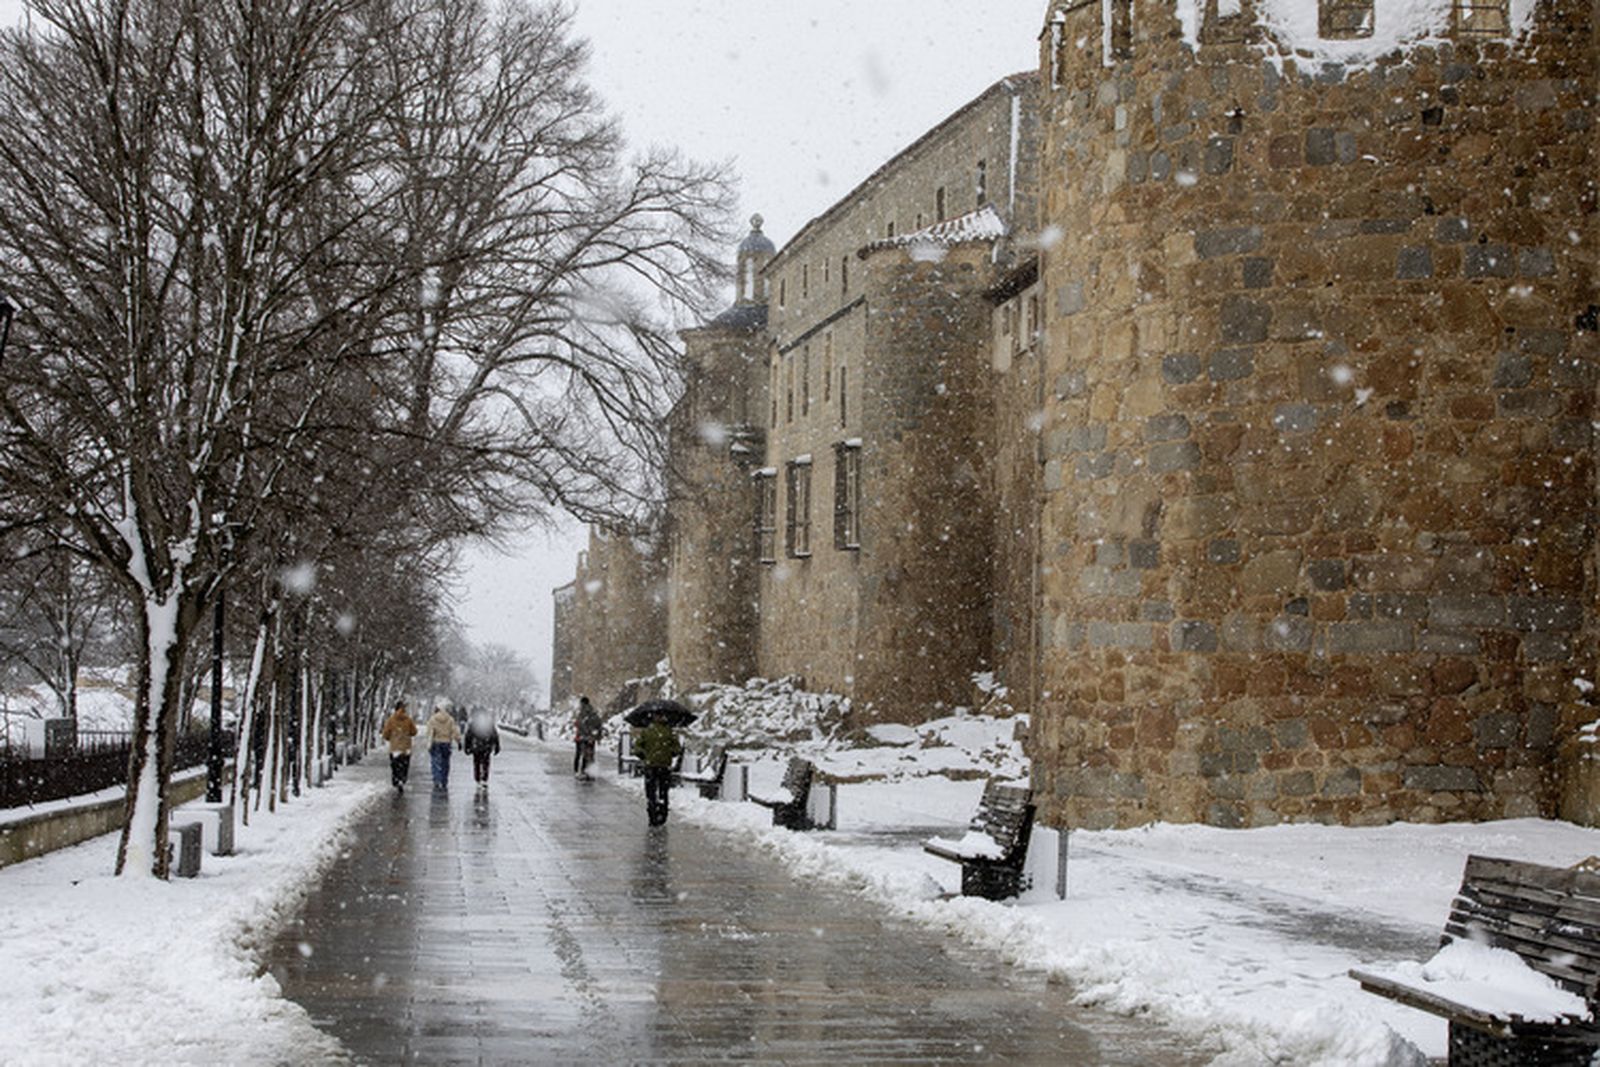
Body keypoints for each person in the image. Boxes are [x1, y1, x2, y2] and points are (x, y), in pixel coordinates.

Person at [635, 714, 682, 827]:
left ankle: (652, 815)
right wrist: (669, 753)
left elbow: (637, 748)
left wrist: (644, 755)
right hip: (664, 766)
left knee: (651, 792)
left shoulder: (647, 731)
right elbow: (677, 749)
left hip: (650, 766)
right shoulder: (669, 731)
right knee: (663, 791)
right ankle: (662, 814)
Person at [379, 700, 417, 793]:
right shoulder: (408, 719)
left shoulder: (391, 720)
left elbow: (385, 734)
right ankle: (402, 780)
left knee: (395, 766)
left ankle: (396, 780)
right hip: (406, 748)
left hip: (395, 748)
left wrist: (391, 738)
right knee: (404, 766)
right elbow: (414, 732)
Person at [424, 699, 463, 790]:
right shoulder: (450, 719)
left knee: (435, 762)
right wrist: (459, 741)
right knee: (445, 762)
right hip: (446, 743)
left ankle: (437, 779)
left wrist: (429, 744)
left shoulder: (433, 719)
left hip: (436, 742)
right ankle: (444, 780)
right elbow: (454, 732)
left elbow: (429, 732)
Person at [464, 709, 501, 789]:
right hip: (486, 746)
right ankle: (484, 778)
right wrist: (497, 747)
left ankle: (477, 779)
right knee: (486, 763)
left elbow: (468, 736)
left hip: (476, 746)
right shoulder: (489, 724)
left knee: (476, 763)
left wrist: (467, 747)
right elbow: (495, 736)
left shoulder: (474, 724)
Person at [573, 696, 602, 780]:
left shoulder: (582, 712)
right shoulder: (593, 712)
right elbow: (599, 725)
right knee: (590, 755)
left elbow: (580, 724)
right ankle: (589, 772)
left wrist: (583, 732)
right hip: (591, 738)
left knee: (579, 755)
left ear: (582, 703)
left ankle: (579, 772)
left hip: (582, 738)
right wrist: (596, 737)